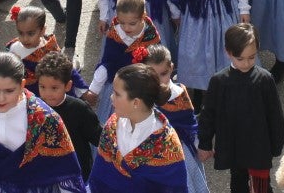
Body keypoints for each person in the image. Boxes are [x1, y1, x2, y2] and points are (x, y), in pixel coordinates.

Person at [0, 52, 85, 193]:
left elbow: (64, 170)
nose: (1, 98)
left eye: (9, 91)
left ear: (22, 85)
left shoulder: (45, 119)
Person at [197, 24, 284, 193]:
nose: (246, 63)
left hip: (259, 146)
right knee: (238, 183)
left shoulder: (265, 79)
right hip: (234, 147)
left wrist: (277, 143)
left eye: (251, 57)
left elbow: (275, 114)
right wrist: (204, 143)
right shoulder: (219, 81)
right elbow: (208, 115)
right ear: (228, 52)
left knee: (261, 187)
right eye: (240, 59)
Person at [87, 63, 189, 193]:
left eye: (117, 94)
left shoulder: (168, 144)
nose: (111, 97)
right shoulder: (112, 127)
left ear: (136, 102)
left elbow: (175, 189)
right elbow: (99, 176)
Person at [83, 0, 163, 124]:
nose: (126, 28)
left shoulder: (150, 36)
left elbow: (157, 65)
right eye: (122, 23)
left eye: (132, 23)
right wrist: (94, 90)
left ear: (143, 16)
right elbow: (107, 63)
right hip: (118, 88)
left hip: (142, 89)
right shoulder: (115, 33)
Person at [144, 46, 209, 193]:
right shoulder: (142, 98)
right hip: (151, 154)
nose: (159, 80)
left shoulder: (179, 92)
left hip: (180, 153)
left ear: (171, 68)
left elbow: (190, 123)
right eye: (153, 76)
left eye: (163, 74)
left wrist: (200, 146)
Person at [35, 51, 102, 180]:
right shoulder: (35, 108)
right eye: (42, 87)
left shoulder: (80, 109)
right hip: (47, 174)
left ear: (68, 86)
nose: (47, 93)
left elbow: (99, 138)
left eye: (54, 88)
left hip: (76, 173)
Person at [6, 5, 87, 96]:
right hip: (31, 95)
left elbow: (66, 66)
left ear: (42, 30)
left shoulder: (49, 46)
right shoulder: (14, 50)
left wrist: (83, 88)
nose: (25, 39)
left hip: (54, 89)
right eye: (20, 33)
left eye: (30, 33)